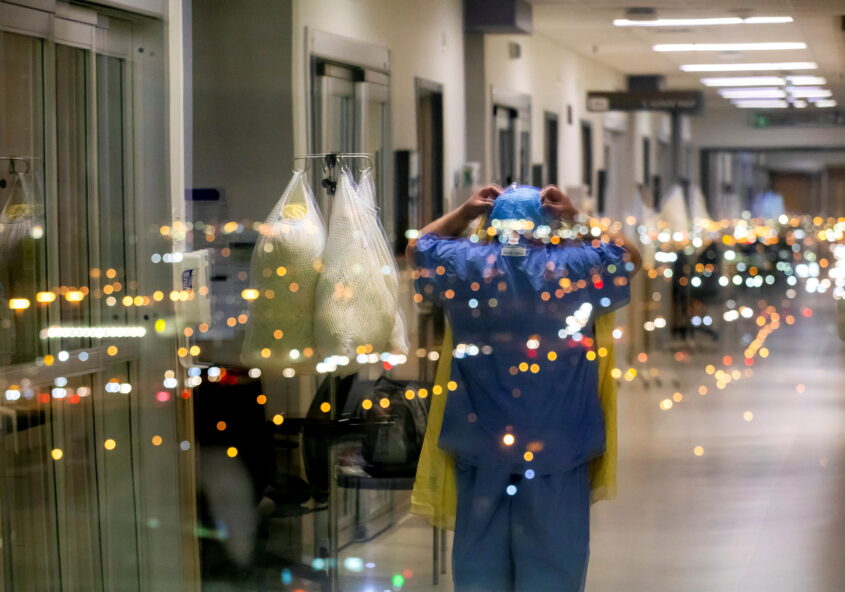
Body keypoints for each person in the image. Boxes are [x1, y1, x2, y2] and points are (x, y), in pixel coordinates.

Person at [408, 184, 641, 592]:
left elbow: (419, 246)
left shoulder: (463, 264)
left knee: (480, 554)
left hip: (481, 439)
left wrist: (463, 212)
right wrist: (575, 216)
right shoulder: (578, 266)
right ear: (546, 223)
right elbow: (631, 257)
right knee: (555, 556)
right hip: (559, 440)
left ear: (491, 223)